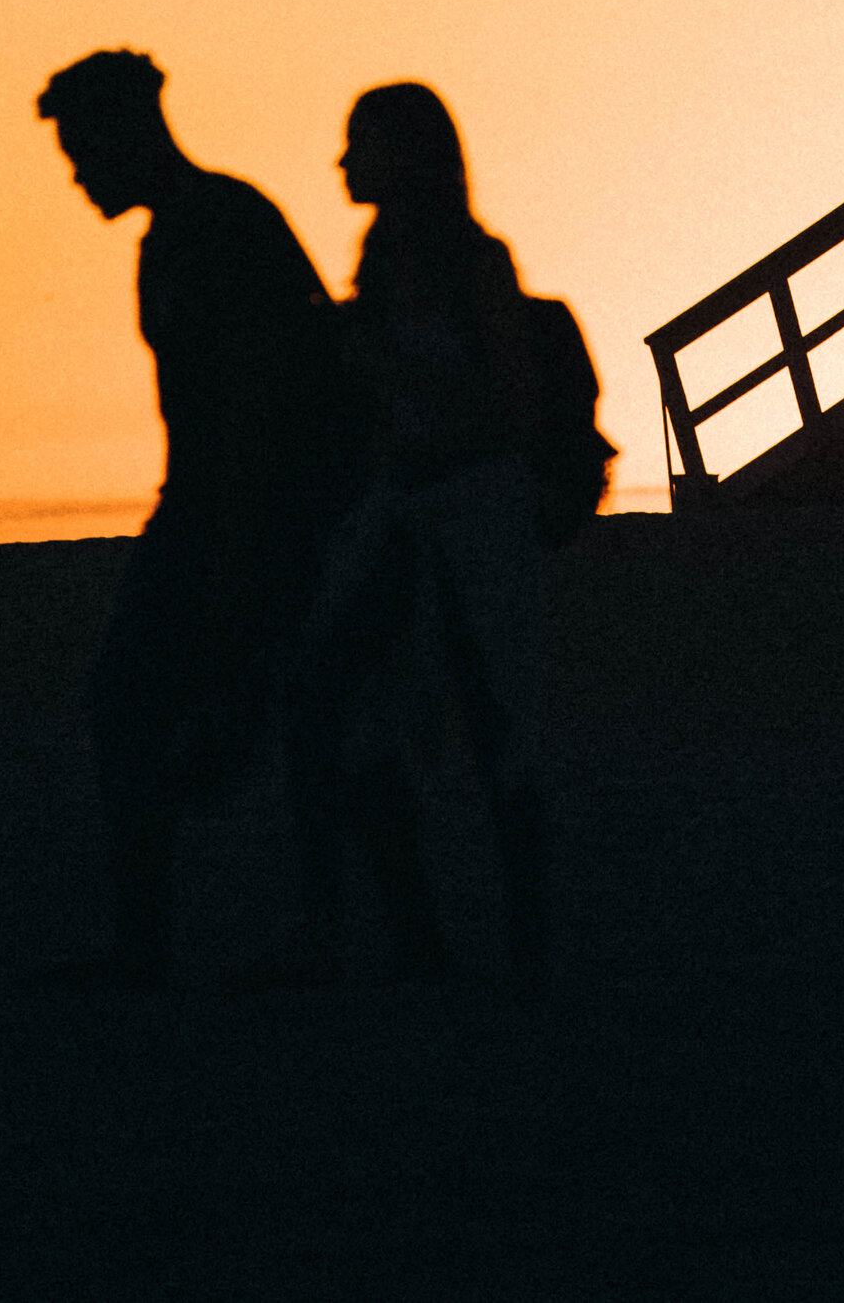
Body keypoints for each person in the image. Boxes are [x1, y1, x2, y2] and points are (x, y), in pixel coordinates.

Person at [36, 50, 346, 989]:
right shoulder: (179, 235)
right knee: (168, 703)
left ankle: (276, 934)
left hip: (253, 508)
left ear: (127, 134)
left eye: (84, 148)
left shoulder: (220, 223)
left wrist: (247, 538)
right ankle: (168, 934)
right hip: (211, 505)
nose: (78, 171)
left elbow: (276, 391)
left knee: (216, 703)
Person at [287, 83, 551, 992]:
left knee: (491, 726)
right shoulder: (381, 264)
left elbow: (509, 408)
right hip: (405, 516)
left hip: (469, 517)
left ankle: (515, 945)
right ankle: (423, 940)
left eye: (359, 143)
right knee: (359, 710)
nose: (342, 163)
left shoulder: (477, 266)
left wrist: (382, 368)